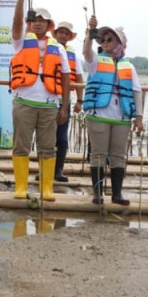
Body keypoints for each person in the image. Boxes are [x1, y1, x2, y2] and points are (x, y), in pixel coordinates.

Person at [10, 0, 70, 201]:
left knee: (48, 147)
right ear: (30, 22)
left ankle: (46, 189)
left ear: (48, 25)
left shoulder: (59, 48)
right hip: (24, 102)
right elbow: (17, 23)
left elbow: (65, 77)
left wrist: (64, 106)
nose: (37, 23)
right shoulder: (20, 41)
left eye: (42, 20)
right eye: (34, 19)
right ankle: (21, 187)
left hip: (49, 105)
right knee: (21, 146)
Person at [81, 16, 143, 205]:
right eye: (103, 39)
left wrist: (139, 117)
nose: (105, 43)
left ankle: (117, 194)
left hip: (121, 118)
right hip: (98, 116)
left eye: (110, 39)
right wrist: (90, 34)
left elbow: (136, 92)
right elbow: (86, 52)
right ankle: (98, 194)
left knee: (118, 156)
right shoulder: (95, 61)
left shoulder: (129, 66)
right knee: (98, 155)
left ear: (120, 43)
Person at [51, 21, 85, 182]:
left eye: (66, 33)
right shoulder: (47, 49)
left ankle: (58, 170)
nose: (63, 36)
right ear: (56, 34)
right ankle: (45, 170)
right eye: (61, 32)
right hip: (48, 99)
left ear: (70, 37)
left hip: (64, 100)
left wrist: (79, 100)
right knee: (47, 138)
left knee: (62, 138)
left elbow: (78, 78)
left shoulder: (73, 55)